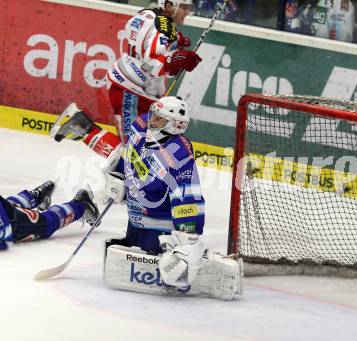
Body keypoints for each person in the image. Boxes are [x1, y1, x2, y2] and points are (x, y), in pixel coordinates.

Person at [101, 96, 242, 300]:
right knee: (122, 251)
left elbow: (188, 196)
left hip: (158, 227)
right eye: (153, 116)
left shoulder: (178, 154)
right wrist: (118, 176)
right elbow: (129, 153)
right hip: (135, 221)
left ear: (175, 125)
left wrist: (189, 243)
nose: (152, 121)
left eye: (159, 119)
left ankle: (203, 263)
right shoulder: (141, 127)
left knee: (169, 265)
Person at [51, 0, 202, 159]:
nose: (186, 13)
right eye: (184, 7)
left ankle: (84, 126)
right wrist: (175, 58)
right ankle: (84, 127)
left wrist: (174, 54)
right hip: (131, 91)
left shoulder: (146, 15)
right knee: (133, 153)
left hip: (142, 93)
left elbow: (150, 53)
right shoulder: (164, 25)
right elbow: (150, 63)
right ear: (170, 5)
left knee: (147, 151)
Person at [0, 181, 100, 251]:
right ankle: (38, 195)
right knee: (9, 206)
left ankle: (81, 205)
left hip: (10, 221)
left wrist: (5, 236)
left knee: (46, 223)